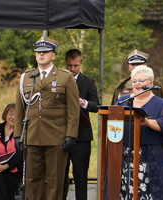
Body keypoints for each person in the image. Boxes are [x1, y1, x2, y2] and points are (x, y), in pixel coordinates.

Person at [14, 36, 80, 200]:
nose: (41, 55)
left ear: (53, 55)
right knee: (32, 179)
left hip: (56, 136)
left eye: (45, 52)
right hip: (32, 135)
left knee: (55, 180)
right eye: (38, 52)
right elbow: (20, 108)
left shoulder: (65, 77)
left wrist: (71, 135)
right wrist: (17, 135)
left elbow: (73, 110)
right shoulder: (26, 77)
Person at [114, 65, 163, 200]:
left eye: (142, 81)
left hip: (151, 155)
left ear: (150, 83)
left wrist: (147, 122)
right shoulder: (123, 101)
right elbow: (112, 119)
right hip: (126, 155)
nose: (137, 84)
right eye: (134, 81)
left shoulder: (160, 103)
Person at [62, 49, 100, 200]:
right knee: (60, 175)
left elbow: (96, 106)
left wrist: (83, 102)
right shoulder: (59, 80)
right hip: (61, 134)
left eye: (75, 65)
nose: (72, 69)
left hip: (82, 136)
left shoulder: (88, 82)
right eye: (70, 65)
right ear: (65, 63)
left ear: (81, 63)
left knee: (80, 175)